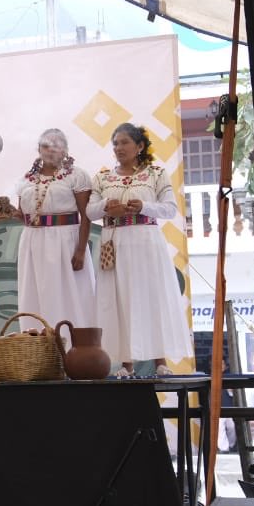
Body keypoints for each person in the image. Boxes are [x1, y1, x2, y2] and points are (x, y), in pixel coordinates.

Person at [88, 123, 193, 377]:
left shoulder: (156, 174)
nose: (118, 148)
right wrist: (106, 206)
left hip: (146, 241)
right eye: (115, 143)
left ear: (140, 146)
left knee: (152, 296)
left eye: (124, 142)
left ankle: (160, 361)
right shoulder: (102, 177)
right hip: (115, 241)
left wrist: (143, 206)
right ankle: (126, 364)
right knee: (120, 298)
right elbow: (90, 212)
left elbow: (170, 209)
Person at [15, 128, 97, 331]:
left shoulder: (77, 176)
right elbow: (23, 214)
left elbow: (85, 214)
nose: (51, 150)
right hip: (33, 242)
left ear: (65, 150)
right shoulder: (27, 179)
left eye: (56, 145)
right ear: (38, 149)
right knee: (35, 294)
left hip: (65, 242)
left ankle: (73, 350)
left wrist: (80, 250)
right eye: (46, 145)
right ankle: (40, 351)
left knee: (68, 295)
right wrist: (7, 211)